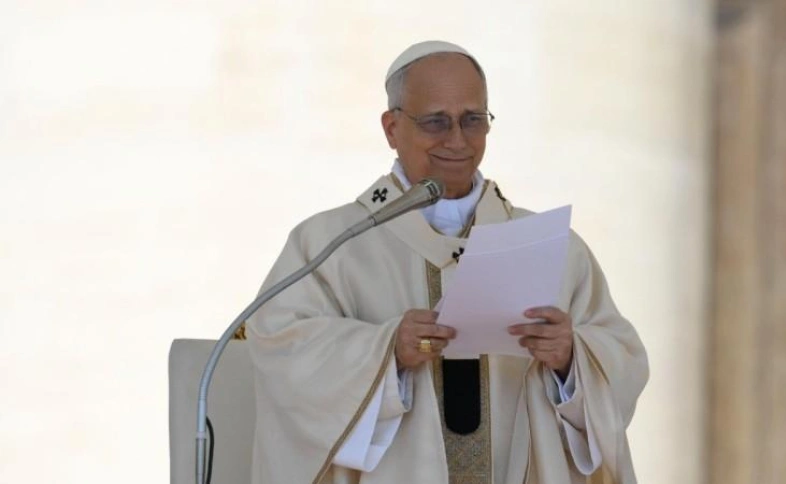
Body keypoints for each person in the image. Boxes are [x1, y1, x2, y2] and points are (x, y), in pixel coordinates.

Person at [246, 40, 648, 484]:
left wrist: (571, 360)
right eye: (436, 121)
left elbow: (624, 357)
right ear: (391, 127)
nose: (457, 140)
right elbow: (283, 353)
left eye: (473, 120)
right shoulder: (330, 244)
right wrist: (386, 352)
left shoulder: (554, 248)